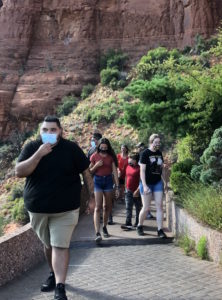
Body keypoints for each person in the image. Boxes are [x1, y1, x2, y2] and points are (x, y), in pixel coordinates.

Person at [15, 116, 94, 300]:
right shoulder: (32, 147)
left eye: (53, 130)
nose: (49, 133)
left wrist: (92, 198)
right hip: (38, 209)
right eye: (45, 130)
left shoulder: (71, 148)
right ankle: (53, 273)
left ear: (60, 131)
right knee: (48, 245)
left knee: (60, 245)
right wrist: (39, 154)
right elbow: (19, 172)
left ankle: (60, 286)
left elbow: (86, 173)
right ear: (40, 132)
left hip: (66, 209)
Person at [137, 134, 167, 238]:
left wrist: (165, 182)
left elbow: (161, 168)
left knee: (159, 206)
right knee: (146, 207)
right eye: (156, 142)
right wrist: (144, 185)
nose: (158, 144)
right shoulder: (145, 153)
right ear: (151, 142)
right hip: (147, 183)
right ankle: (140, 225)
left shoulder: (159, 153)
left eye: (159, 142)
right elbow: (142, 170)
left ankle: (160, 230)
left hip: (157, 182)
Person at [89, 138, 119, 243]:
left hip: (108, 181)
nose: (104, 149)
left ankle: (105, 227)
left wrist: (117, 186)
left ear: (108, 148)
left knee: (107, 206)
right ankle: (97, 232)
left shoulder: (111, 157)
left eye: (106, 148)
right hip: (97, 180)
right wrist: (96, 165)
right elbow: (89, 171)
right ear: (99, 147)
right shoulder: (94, 156)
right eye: (102, 147)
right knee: (98, 207)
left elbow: (115, 172)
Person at [136, 142, 155, 220]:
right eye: (138, 147)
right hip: (138, 177)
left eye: (140, 147)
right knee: (143, 199)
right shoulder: (138, 155)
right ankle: (145, 214)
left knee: (146, 198)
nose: (139, 148)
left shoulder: (144, 155)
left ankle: (146, 213)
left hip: (144, 179)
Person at [122, 152, 141, 228]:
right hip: (128, 190)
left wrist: (137, 190)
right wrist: (125, 187)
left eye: (131, 158)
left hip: (137, 191)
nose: (129, 159)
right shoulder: (128, 167)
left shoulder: (140, 168)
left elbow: (142, 181)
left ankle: (138, 223)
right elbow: (126, 177)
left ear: (135, 160)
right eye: (129, 158)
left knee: (138, 208)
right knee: (128, 207)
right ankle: (128, 223)